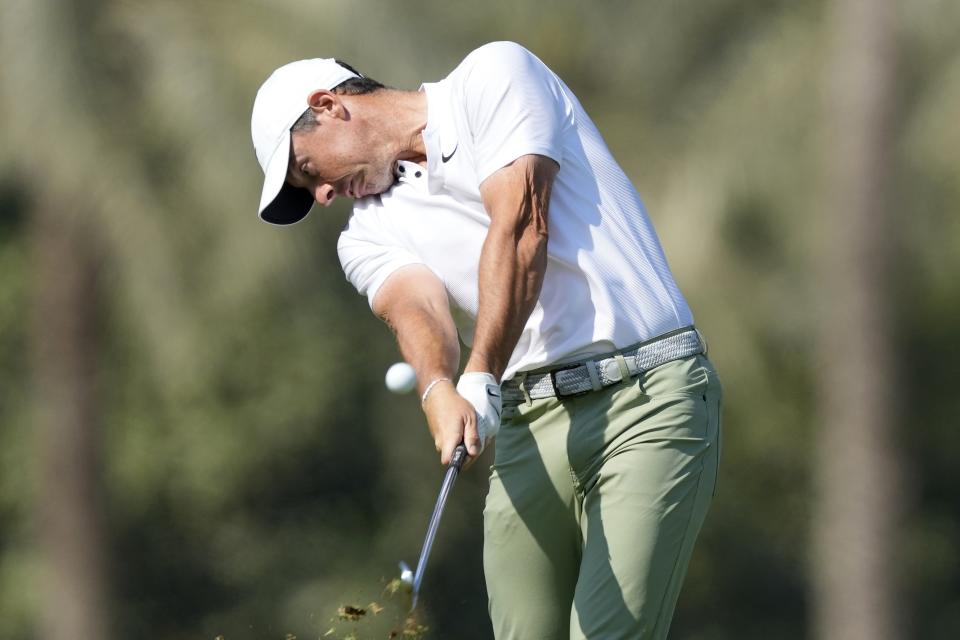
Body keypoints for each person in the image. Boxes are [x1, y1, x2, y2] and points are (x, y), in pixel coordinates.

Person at [250, 41, 722, 640]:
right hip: (527, 424)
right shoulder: (363, 233)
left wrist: (479, 374)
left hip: (647, 398)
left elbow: (524, 227)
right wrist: (438, 389)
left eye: (308, 171)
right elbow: (415, 309)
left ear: (330, 106)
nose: (320, 196)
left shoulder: (495, 75)